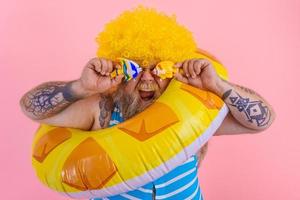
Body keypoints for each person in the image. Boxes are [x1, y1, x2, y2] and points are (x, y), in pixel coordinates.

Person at [20, 7, 275, 200]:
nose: (147, 78)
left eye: (158, 69)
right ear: (119, 72)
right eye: (135, 68)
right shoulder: (102, 110)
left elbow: (261, 122)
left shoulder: (192, 112)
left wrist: (218, 85)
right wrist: (80, 87)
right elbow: (31, 108)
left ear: (172, 71)